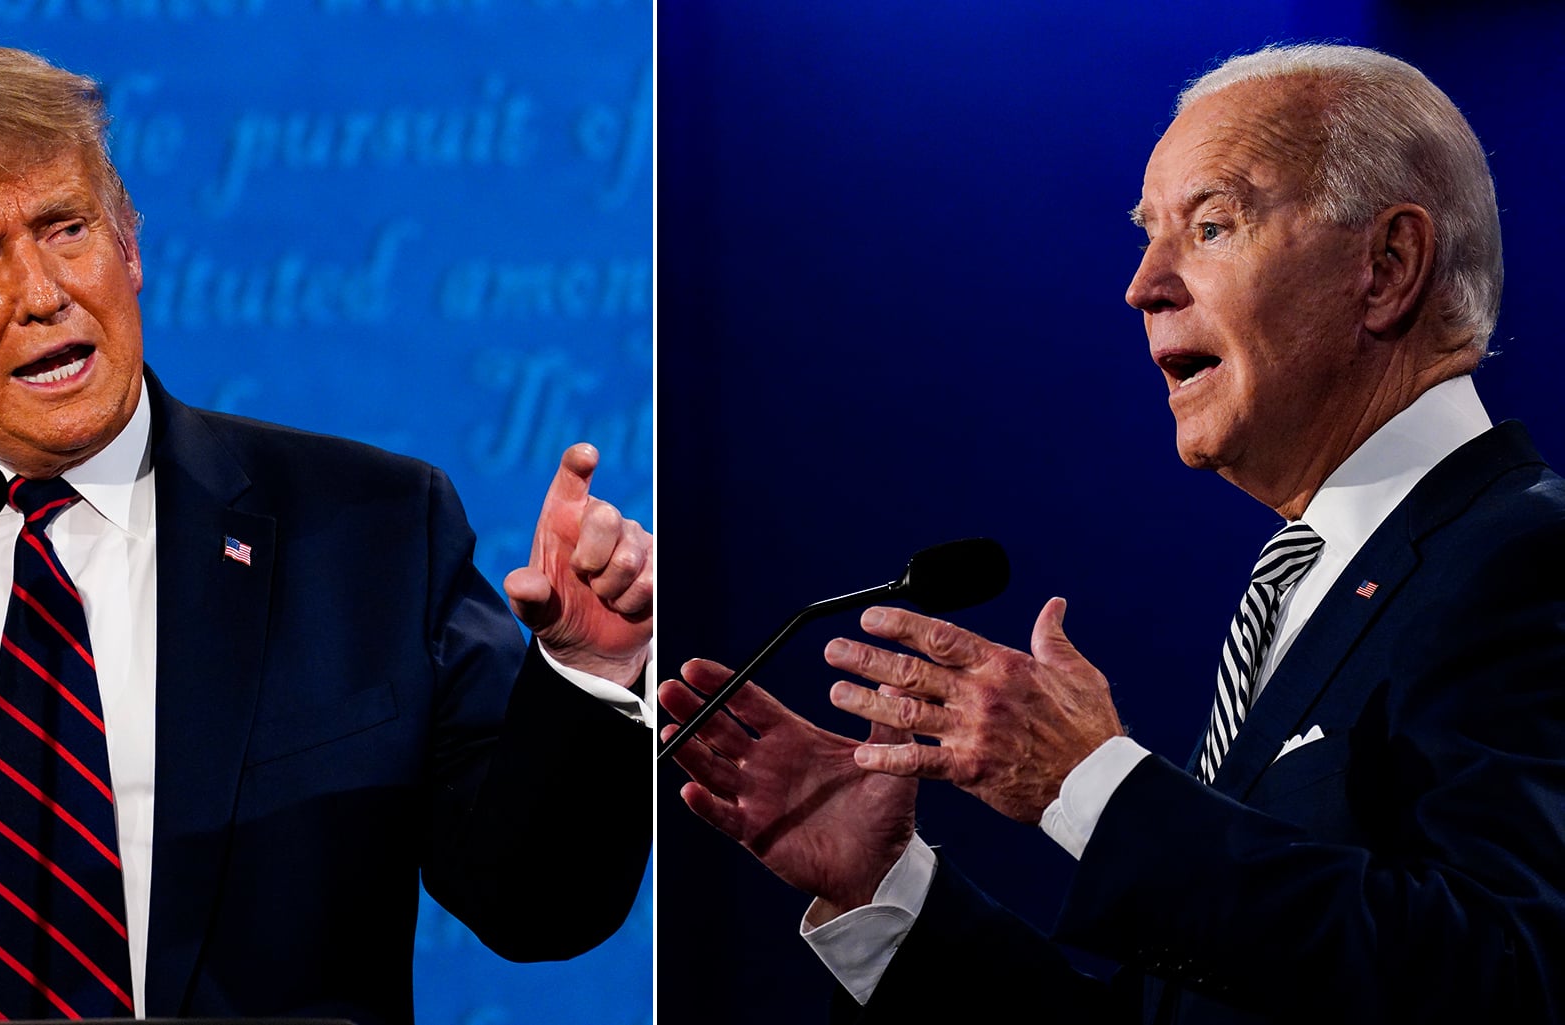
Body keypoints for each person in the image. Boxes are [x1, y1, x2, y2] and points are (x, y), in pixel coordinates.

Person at [0, 47, 652, 1024]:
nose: (43, 292)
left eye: (68, 229)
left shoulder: (372, 532)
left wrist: (587, 675)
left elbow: (537, 906)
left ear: (128, 247)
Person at [661, 43, 1565, 1023]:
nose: (1142, 285)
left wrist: (1086, 782)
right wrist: (884, 890)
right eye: (1144, 237)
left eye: (1210, 225)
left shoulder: (1523, 557)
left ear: (1384, 267)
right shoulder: (1316, 582)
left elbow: (1513, 979)